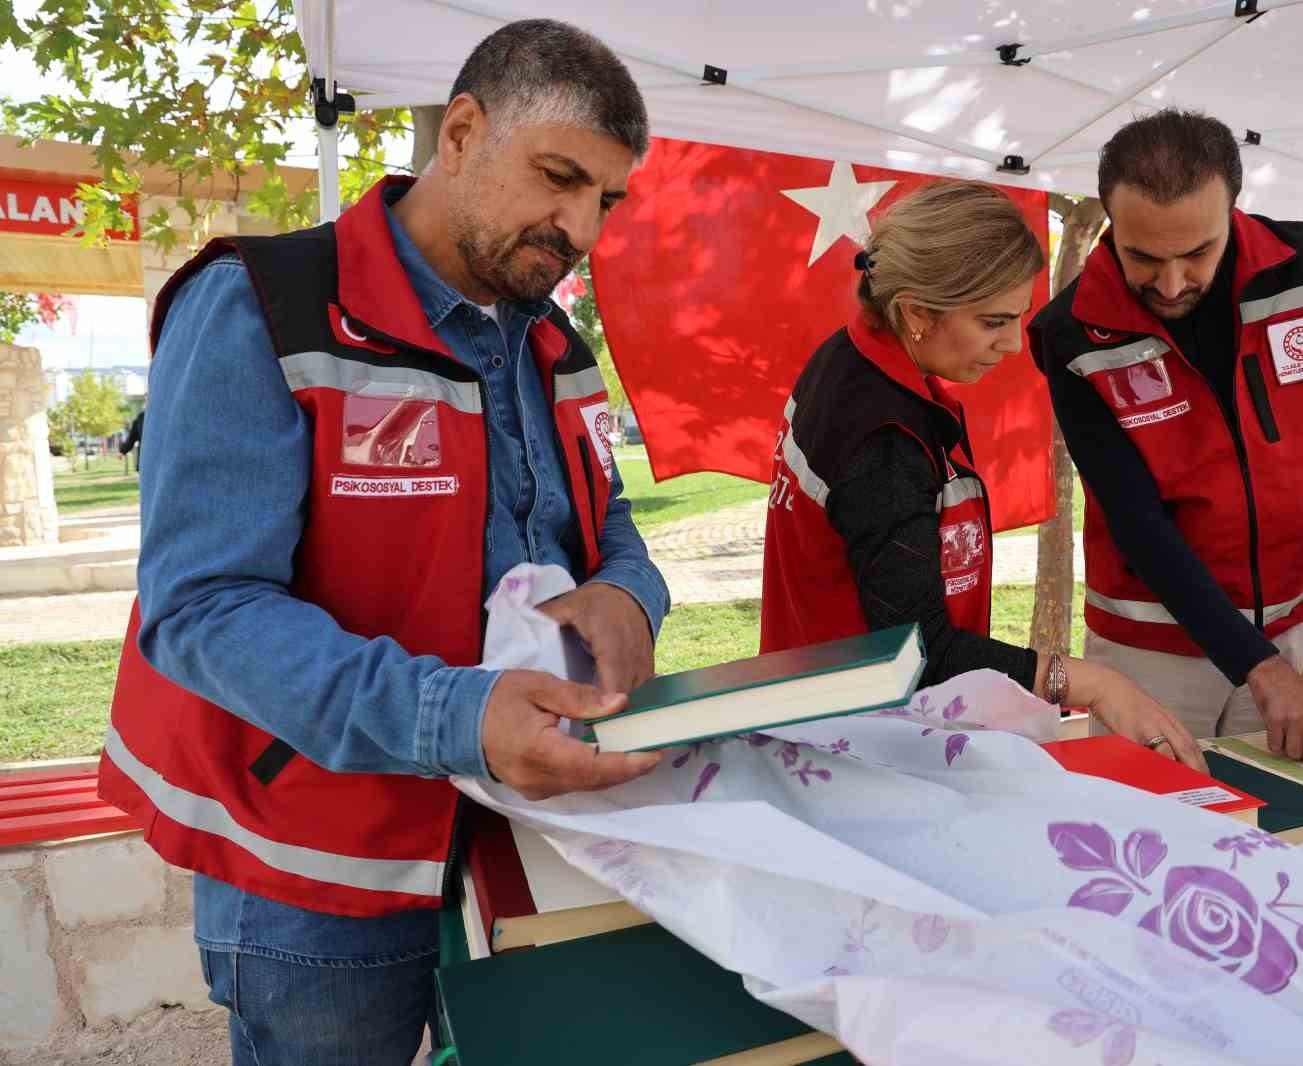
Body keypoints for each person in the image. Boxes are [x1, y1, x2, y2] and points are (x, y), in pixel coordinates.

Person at [97, 21, 669, 1064]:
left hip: (519, 834)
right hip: (318, 870)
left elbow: (607, 520)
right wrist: (459, 713)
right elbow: (203, 609)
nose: (582, 224)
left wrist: (631, 594)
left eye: (606, 200)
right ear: (459, 134)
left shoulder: (549, 335)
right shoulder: (260, 306)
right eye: (559, 177)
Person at [1031, 109, 1303, 777]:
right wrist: (1261, 668)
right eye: (1143, 256)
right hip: (1152, 648)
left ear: (1234, 208)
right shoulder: (1074, 332)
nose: (1171, 284)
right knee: (1149, 831)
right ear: (1109, 220)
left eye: (1197, 251)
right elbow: (1138, 524)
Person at [761, 181, 1205, 771]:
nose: (1014, 344)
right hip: (856, 749)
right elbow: (919, 651)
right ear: (917, 312)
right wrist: (1096, 685)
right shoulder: (884, 438)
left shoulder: (852, 359)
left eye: (1018, 317)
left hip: (837, 716)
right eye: (993, 322)